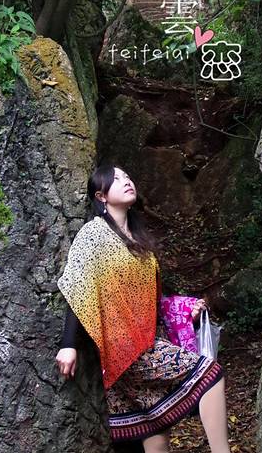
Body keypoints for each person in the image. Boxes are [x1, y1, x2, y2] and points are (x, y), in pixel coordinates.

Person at [55, 164, 231, 453]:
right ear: (101, 196)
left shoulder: (138, 239)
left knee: (154, 426)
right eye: (116, 179)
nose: (126, 181)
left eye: (127, 176)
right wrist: (68, 344)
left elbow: (151, 299)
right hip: (124, 348)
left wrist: (183, 311)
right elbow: (78, 287)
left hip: (147, 340)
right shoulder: (94, 234)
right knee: (210, 374)